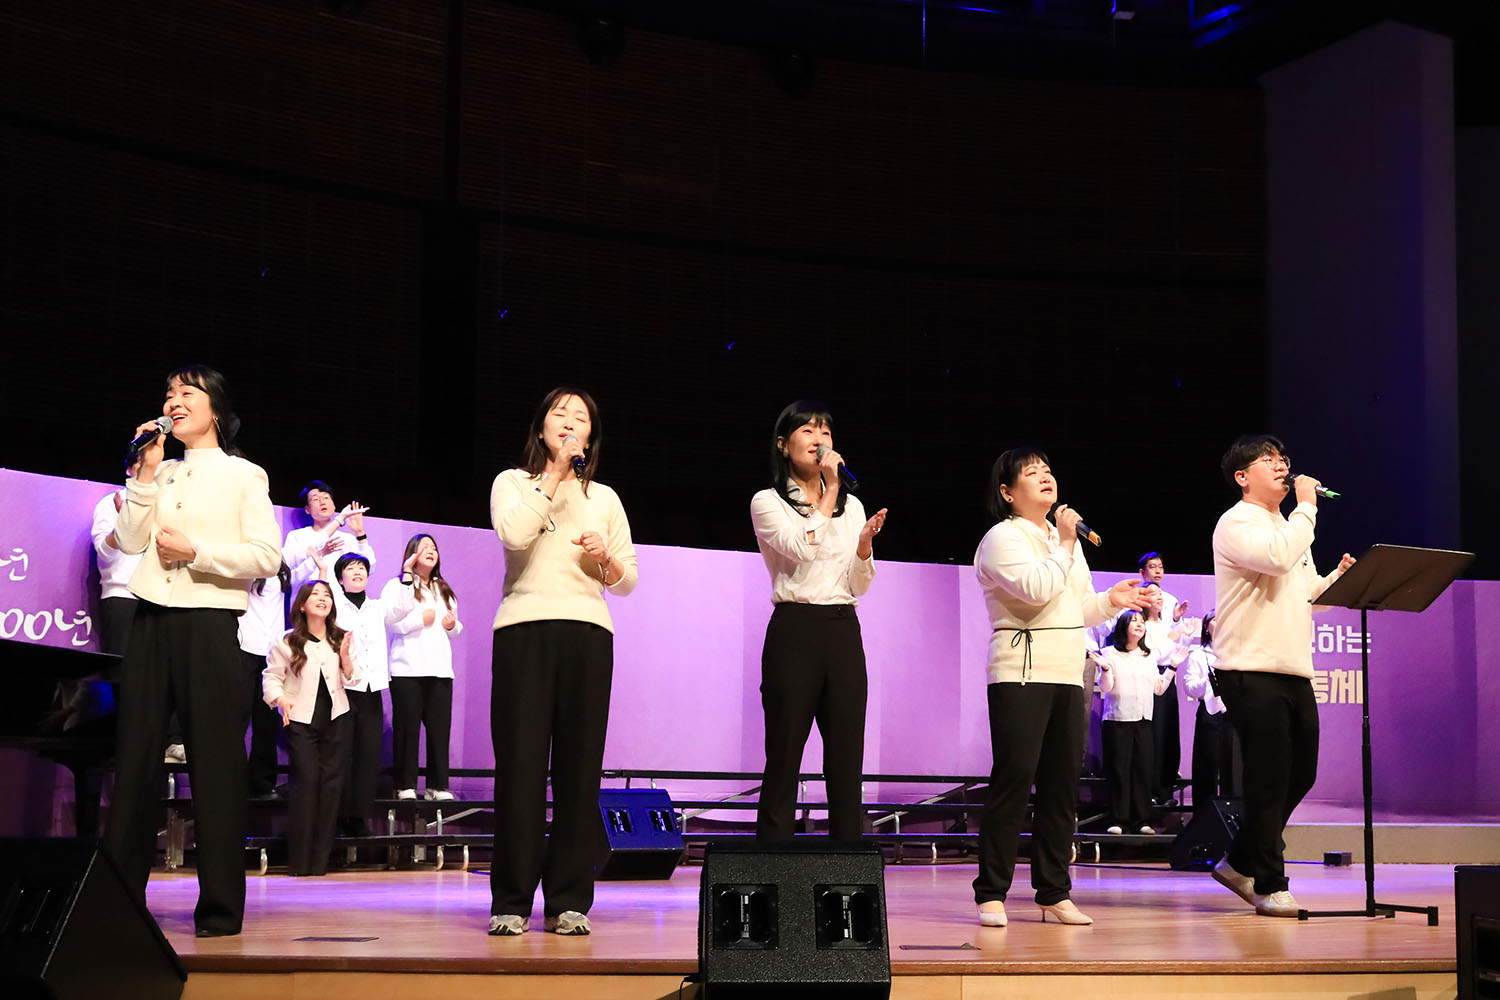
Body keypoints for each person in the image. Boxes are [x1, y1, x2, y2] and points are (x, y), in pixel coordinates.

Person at [106, 365, 282, 937]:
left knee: (215, 766)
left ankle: (221, 909)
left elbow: (267, 556)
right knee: (135, 760)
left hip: (209, 626)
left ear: (215, 409)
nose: (173, 402)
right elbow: (129, 540)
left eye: (186, 392)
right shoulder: (161, 470)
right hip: (150, 620)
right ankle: (120, 903)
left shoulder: (243, 474)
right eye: (168, 394)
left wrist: (196, 552)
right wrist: (144, 474)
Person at [971, 447, 1151, 927]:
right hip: (1020, 672)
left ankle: (1054, 890)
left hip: (1069, 673)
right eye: (1032, 473)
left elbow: (1077, 608)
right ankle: (991, 892)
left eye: (1048, 470)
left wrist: (1110, 601)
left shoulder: (1060, 539)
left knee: (1060, 787)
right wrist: (1066, 543)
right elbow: (1036, 589)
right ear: (1008, 492)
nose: (1045, 477)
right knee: (1014, 781)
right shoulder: (1003, 538)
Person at [487, 388, 638, 937]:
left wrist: (605, 559)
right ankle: (511, 899)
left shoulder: (606, 498)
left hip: (588, 633)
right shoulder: (512, 482)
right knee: (520, 768)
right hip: (524, 629)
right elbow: (513, 534)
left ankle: (569, 899)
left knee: (579, 770)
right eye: (560, 414)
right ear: (542, 428)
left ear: (591, 436)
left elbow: (628, 580)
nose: (571, 422)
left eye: (581, 418)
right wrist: (552, 475)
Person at [1209, 435, 1354, 918]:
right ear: (1242, 477)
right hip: (1249, 667)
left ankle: (1239, 861)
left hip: (1293, 667)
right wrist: (1307, 507)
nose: (1281, 466)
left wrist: (1337, 580)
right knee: (1269, 777)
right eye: (1268, 460)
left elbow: (1306, 594)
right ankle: (1269, 883)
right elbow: (1275, 558)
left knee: (1301, 774)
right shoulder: (1237, 522)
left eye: (1283, 459)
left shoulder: (1288, 528)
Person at [749, 400, 888, 843]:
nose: (819, 439)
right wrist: (829, 494)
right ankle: (772, 858)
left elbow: (858, 584)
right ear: (782, 444)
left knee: (846, 755)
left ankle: (847, 859)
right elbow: (799, 546)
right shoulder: (768, 502)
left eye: (825, 432)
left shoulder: (853, 506)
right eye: (808, 431)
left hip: (843, 628)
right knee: (785, 750)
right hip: (795, 628)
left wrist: (863, 547)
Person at [262, 581, 361, 876]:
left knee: (331, 788)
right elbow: (271, 677)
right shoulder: (288, 641)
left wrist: (345, 658)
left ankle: (320, 863)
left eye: (327, 595)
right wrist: (280, 700)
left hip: (337, 718)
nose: (322, 599)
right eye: (315, 595)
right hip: (301, 720)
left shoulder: (341, 638)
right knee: (306, 785)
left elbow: (354, 679)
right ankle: (300, 862)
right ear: (302, 605)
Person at [318, 549, 417, 836]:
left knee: (367, 756)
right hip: (343, 689)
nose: (358, 571)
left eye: (361, 568)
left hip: (372, 689)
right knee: (341, 754)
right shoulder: (335, 606)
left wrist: (407, 573)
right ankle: (335, 816)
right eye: (350, 568)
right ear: (340, 578)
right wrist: (322, 572)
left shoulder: (377, 607)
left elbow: (403, 607)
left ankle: (358, 817)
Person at [381, 534, 462, 801]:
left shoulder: (443, 588)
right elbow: (389, 622)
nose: (431, 551)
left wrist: (451, 625)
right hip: (408, 668)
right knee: (408, 728)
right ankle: (405, 784)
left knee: (439, 729)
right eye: (424, 547)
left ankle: (437, 786)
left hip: (440, 669)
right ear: (412, 554)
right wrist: (419, 619)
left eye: (434, 548)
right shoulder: (396, 585)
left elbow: (455, 628)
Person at [1091, 611, 1175, 835]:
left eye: (1142, 621)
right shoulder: (1110, 653)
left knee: (1143, 770)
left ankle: (1142, 821)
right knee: (1119, 771)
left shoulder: (1148, 657)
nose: (1139, 624)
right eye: (1134, 621)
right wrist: (1105, 669)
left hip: (1143, 719)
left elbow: (1158, 689)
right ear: (1123, 626)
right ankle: (1119, 820)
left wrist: (1172, 668)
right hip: (1118, 719)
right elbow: (1106, 687)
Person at [1180, 613, 1242, 812]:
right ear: (1206, 627)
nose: (1220, 621)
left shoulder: (1237, 652)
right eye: (1215, 619)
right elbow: (1190, 688)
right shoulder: (1198, 655)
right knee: (1206, 766)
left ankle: (1234, 814)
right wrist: (1207, 680)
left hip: (1234, 714)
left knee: (1234, 767)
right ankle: (1204, 814)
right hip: (1209, 713)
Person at [239, 561, 290, 798]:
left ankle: (263, 782)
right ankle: (233, 779)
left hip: (272, 653)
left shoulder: (283, 572)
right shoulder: (246, 567)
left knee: (267, 721)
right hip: (244, 647)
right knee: (237, 718)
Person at [283, 481, 375, 595]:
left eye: (326, 498)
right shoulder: (296, 536)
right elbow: (290, 577)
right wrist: (319, 556)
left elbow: (369, 568)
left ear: (334, 505)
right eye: (316, 499)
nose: (322, 502)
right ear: (307, 509)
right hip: (307, 599)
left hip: (339, 601)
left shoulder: (347, 539)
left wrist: (360, 533)